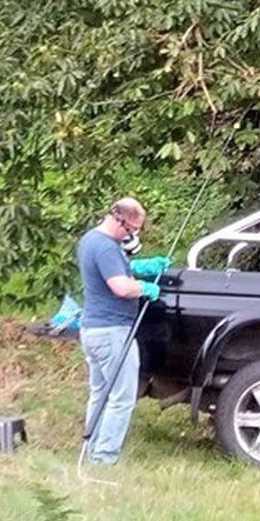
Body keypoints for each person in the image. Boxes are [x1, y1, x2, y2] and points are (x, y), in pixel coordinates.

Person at [76, 197, 171, 464]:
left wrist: (142, 267)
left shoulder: (91, 240)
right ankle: (104, 458)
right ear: (120, 220)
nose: (133, 236)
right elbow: (120, 286)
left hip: (92, 330)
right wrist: (145, 288)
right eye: (131, 230)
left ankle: (92, 448)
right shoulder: (106, 247)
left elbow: (116, 271)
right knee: (121, 397)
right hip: (112, 331)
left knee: (100, 393)